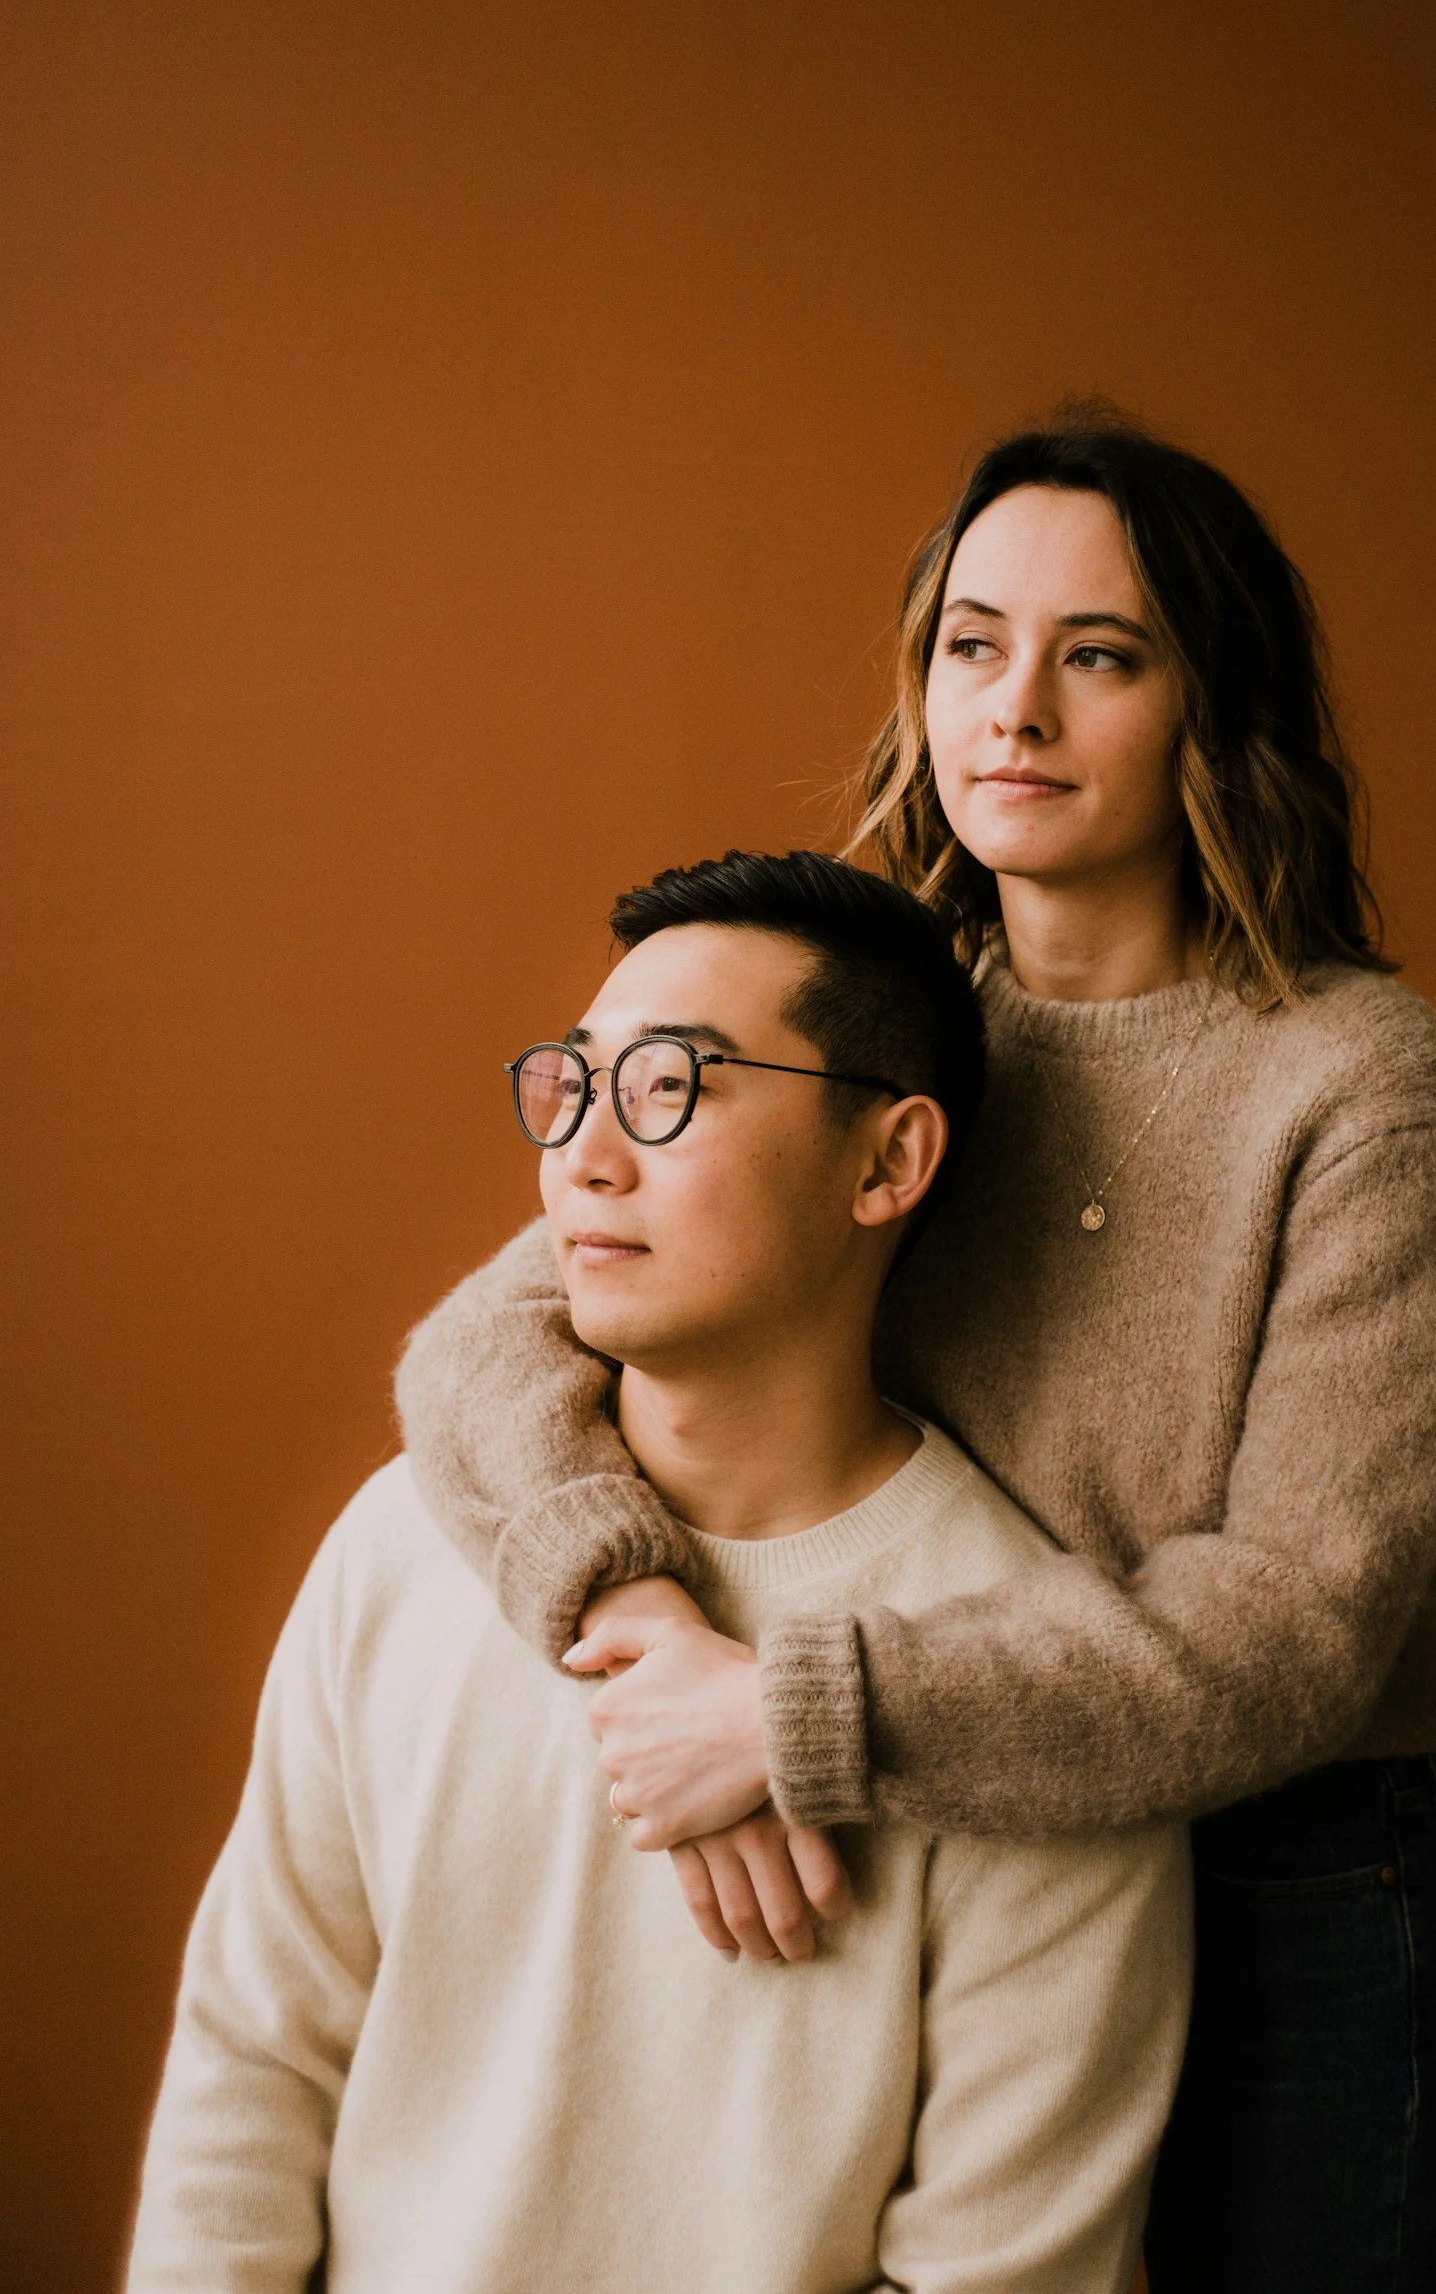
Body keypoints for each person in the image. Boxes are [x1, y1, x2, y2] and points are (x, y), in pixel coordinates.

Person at [394, 407, 1436, 2294]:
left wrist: (791, 1714)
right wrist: (646, 1620)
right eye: (972, 644)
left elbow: (1299, 1623)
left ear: (1206, 704)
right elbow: (480, 1346)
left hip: (1283, 1883)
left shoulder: (1352, 1081)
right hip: (932, 1839)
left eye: (1100, 656)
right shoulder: (882, 1018)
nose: (1015, 711)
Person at [125, 851, 1192, 2294]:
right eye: (572, 1086)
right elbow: (249, 2066)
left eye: (671, 1089)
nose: (584, 1157)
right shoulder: (402, 1550)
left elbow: (1009, 2263)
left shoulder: (1015, 1682)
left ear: (887, 1162)